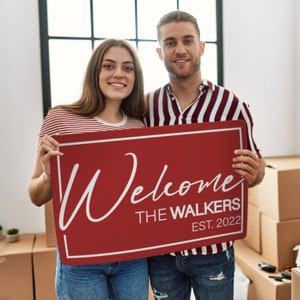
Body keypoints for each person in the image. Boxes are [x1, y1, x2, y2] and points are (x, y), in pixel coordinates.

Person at [145, 10, 265, 300]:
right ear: (160, 52)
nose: (180, 49)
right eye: (171, 43)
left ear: (201, 47)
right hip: (162, 251)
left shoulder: (232, 106)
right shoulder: (147, 106)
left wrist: (255, 171)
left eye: (188, 40)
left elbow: (257, 170)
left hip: (213, 251)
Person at [28, 39, 149, 300]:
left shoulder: (140, 128)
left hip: (133, 259)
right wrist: (49, 176)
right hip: (82, 261)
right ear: (95, 71)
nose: (119, 74)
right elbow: (35, 196)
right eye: (109, 65)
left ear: (135, 78)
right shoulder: (60, 119)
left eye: (128, 68)